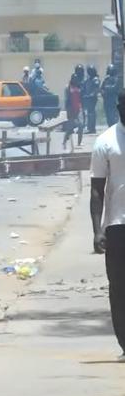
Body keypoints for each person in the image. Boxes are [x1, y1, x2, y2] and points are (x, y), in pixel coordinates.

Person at [90, 90, 125, 362]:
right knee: (119, 287)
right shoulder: (105, 141)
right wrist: (97, 230)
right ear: (118, 106)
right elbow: (97, 190)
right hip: (117, 226)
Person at [64, 72, 83, 148]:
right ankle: (64, 141)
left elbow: (80, 98)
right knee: (70, 128)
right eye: (74, 79)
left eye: (76, 79)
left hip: (78, 109)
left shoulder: (79, 87)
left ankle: (79, 143)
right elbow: (67, 99)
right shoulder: (68, 87)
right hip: (71, 110)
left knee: (81, 126)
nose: (75, 80)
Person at [83, 65, 101, 134]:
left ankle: (92, 128)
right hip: (87, 98)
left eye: (90, 71)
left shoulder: (95, 79)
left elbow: (96, 89)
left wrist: (92, 94)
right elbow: (84, 87)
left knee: (92, 113)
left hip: (92, 98)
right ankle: (89, 127)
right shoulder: (88, 79)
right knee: (89, 113)